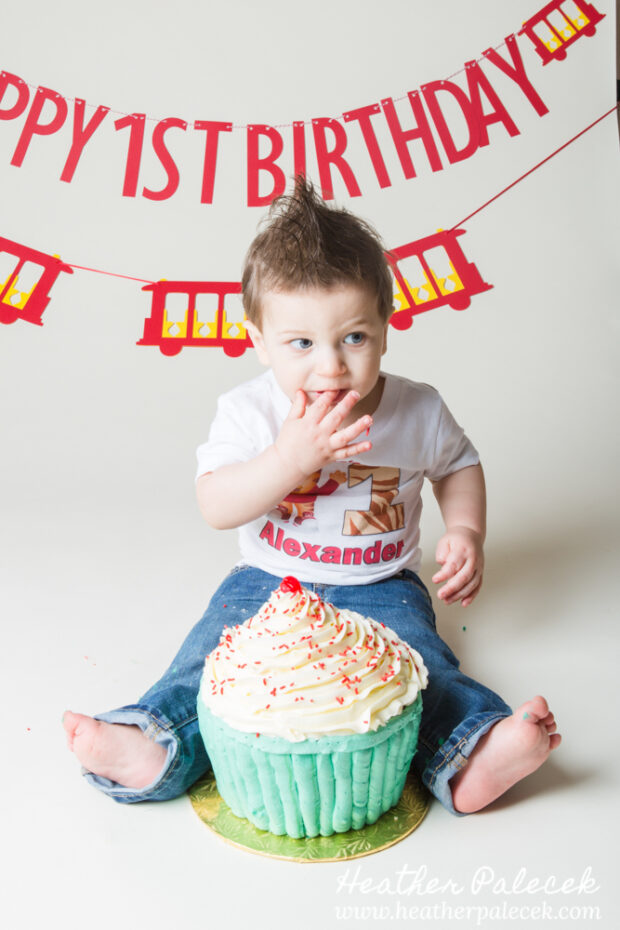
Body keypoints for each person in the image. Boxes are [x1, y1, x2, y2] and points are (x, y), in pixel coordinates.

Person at [63, 178, 560, 814]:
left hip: (382, 585)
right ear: (259, 340)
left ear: (385, 327)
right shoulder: (249, 412)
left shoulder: (418, 409)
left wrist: (466, 530)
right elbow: (217, 505)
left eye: (353, 338)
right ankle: (154, 742)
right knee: (207, 665)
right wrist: (287, 459)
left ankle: (470, 751)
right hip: (266, 581)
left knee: (424, 672)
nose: (329, 366)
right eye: (300, 344)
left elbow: (458, 464)